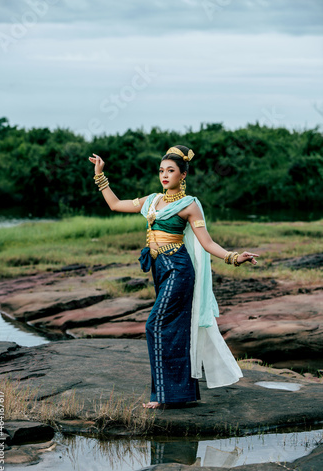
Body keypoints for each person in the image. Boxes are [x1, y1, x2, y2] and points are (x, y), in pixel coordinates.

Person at [89, 145, 259, 409]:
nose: (164, 175)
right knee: (174, 329)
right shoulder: (152, 200)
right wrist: (100, 176)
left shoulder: (189, 205)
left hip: (179, 270)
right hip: (160, 269)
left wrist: (235, 257)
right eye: (161, 171)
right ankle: (177, 395)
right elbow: (114, 204)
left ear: (183, 175)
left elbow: (207, 242)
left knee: (154, 325)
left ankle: (162, 396)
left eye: (171, 171)